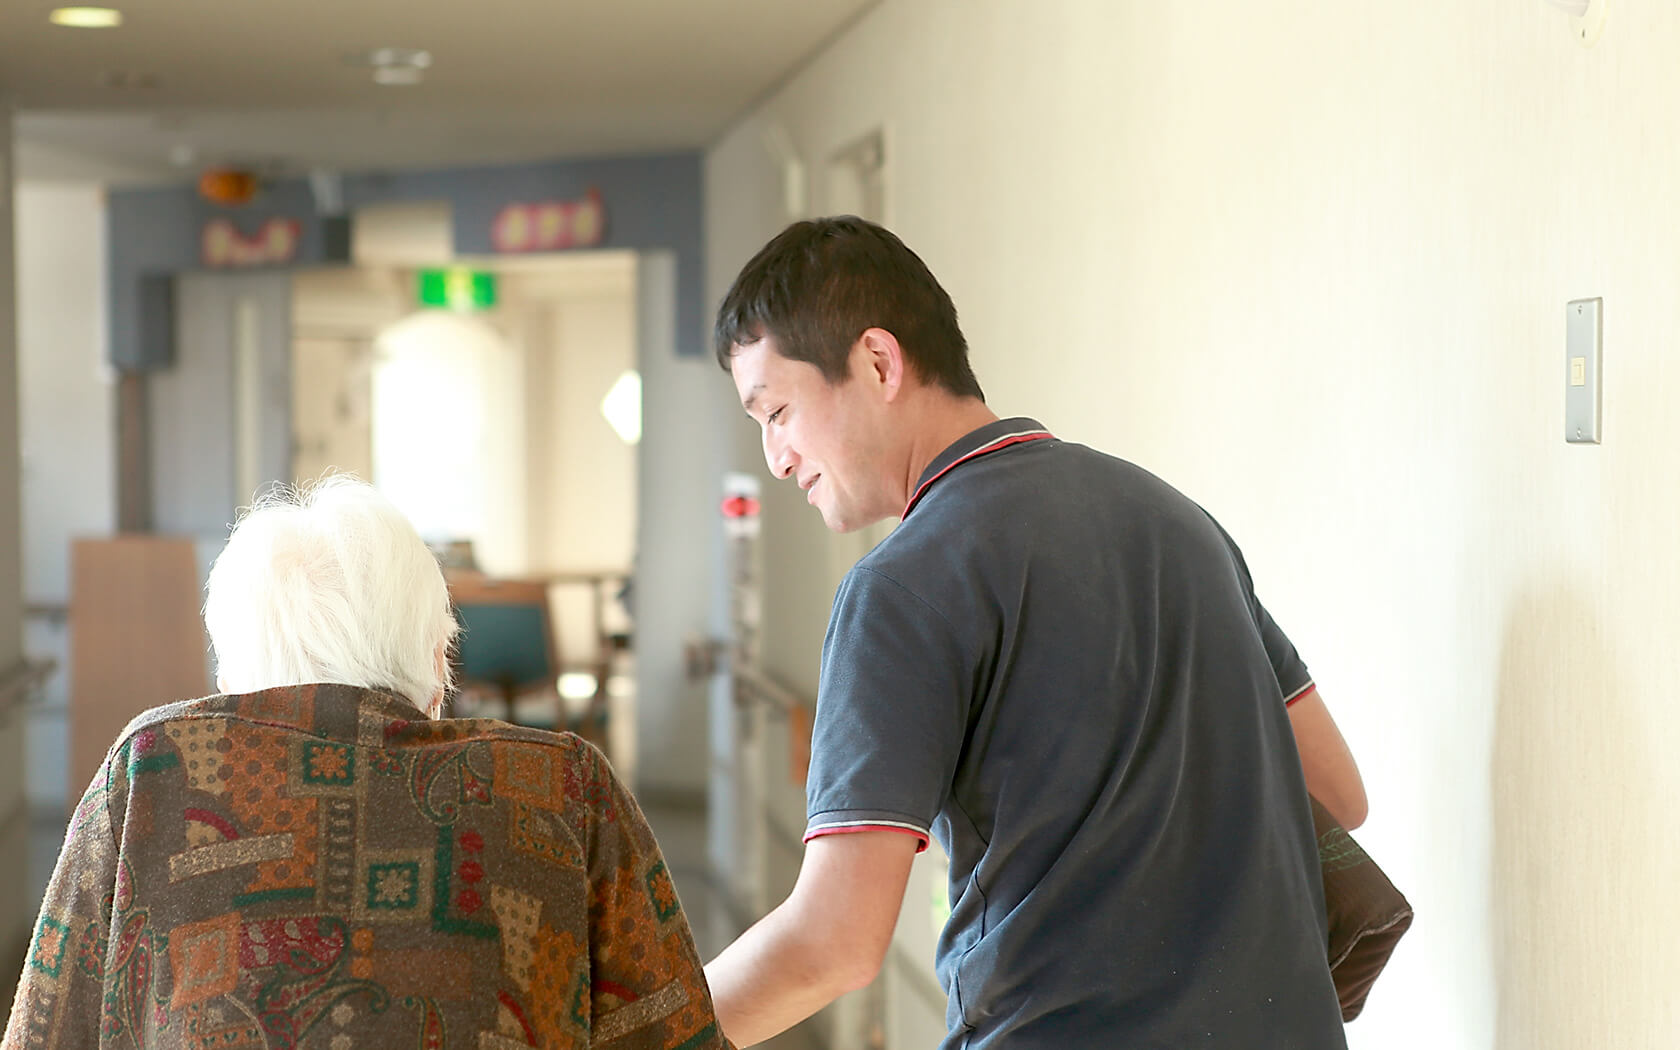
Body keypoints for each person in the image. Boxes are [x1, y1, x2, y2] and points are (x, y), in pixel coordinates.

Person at [703, 217, 1366, 1049]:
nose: (775, 456)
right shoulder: (1177, 521)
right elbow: (1338, 795)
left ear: (878, 362)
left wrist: (637, 1032)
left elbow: (833, 940)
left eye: (778, 411)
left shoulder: (901, 590)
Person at [2, 476, 727, 1050]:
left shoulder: (156, 769)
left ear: (230, 674)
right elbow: (670, 1028)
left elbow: (47, 1030)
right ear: (437, 662)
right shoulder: (558, 786)